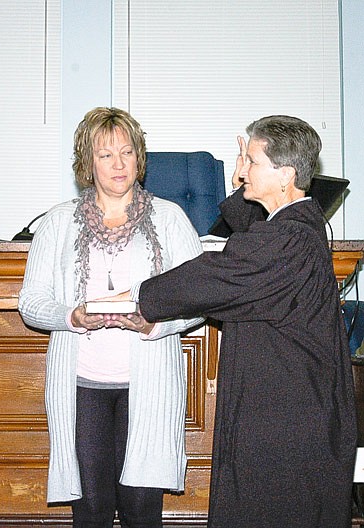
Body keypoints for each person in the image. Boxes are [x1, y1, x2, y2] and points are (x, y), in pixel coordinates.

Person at [113, 115, 356, 527]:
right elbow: (251, 235)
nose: (241, 170)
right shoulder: (292, 228)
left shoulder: (289, 240)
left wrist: (137, 295)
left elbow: (221, 273)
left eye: (252, 162)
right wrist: (243, 179)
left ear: (286, 174)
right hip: (285, 414)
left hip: (288, 427)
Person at [18, 107, 204, 527]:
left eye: (126, 152)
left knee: (141, 509)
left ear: (139, 157)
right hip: (82, 386)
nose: (118, 164)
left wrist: (154, 323)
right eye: (105, 155)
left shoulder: (170, 218)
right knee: (92, 508)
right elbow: (30, 302)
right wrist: (72, 316)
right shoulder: (58, 221)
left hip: (149, 383)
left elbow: (197, 299)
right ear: (87, 162)